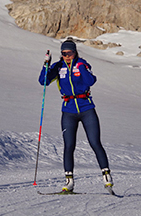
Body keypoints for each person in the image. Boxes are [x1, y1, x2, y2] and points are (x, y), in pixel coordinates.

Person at [38, 39, 113, 192]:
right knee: (69, 146)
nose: (67, 56)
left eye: (69, 53)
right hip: (68, 111)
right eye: (64, 53)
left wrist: (80, 67)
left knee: (94, 142)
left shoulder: (82, 64)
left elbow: (91, 80)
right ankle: (69, 181)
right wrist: (46, 65)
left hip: (86, 108)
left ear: (75, 52)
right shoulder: (58, 67)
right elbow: (43, 81)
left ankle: (106, 176)